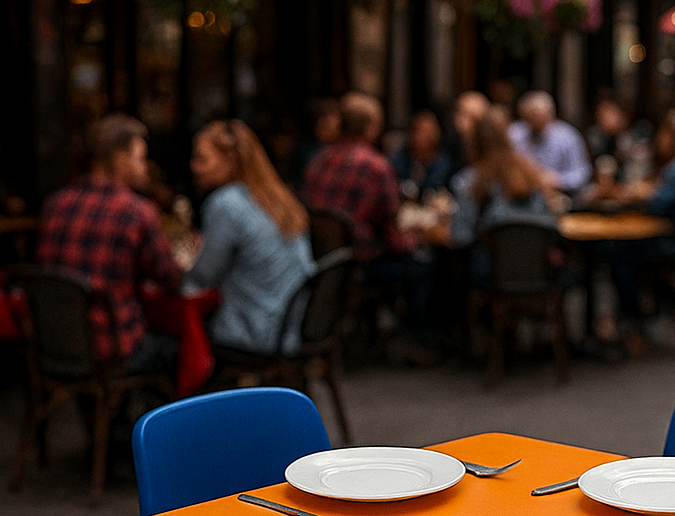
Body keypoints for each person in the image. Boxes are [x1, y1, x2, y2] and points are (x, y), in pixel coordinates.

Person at [36, 113, 180, 371]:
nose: (145, 166)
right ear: (119, 158)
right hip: (113, 347)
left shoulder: (55, 204)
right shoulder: (136, 211)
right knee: (176, 345)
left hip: (53, 343)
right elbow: (169, 278)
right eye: (140, 158)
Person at [302, 91, 436, 358]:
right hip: (360, 263)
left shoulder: (317, 160)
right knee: (423, 264)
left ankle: (376, 329)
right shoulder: (375, 166)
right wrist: (418, 239)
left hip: (322, 261)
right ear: (370, 127)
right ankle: (414, 337)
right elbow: (392, 227)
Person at [184, 120, 314, 358]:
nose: (194, 167)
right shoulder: (277, 196)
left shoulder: (226, 203)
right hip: (292, 326)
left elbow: (203, 277)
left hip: (250, 331)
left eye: (202, 159)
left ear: (231, 158)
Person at [601, 115, 675, 350]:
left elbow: (657, 206)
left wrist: (639, 195)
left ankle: (633, 318)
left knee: (619, 253)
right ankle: (647, 311)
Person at [448, 108, 558, 277]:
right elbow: (549, 223)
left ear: (474, 142)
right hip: (538, 276)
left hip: (492, 276)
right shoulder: (530, 173)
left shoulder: (471, 181)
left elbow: (460, 236)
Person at [509, 90, 592, 194]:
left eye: (536, 116)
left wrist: (558, 180)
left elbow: (582, 173)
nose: (533, 121)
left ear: (550, 114)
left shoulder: (567, 136)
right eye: (528, 116)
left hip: (560, 193)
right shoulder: (513, 134)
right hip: (521, 192)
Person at [390, 110, 453, 199]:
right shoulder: (400, 158)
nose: (425, 136)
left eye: (430, 131)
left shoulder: (444, 161)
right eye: (421, 131)